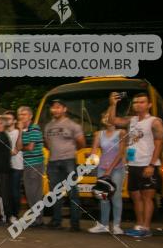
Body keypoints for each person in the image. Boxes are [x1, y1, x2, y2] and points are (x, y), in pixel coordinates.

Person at [104, 91, 163, 237]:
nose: (138, 105)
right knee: (135, 197)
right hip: (134, 164)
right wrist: (113, 104)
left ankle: (146, 228)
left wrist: (151, 165)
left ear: (149, 104)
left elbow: (159, 144)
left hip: (148, 164)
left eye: (142, 102)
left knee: (146, 197)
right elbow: (112, 121)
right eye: (136, 102)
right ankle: (139, 225)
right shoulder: (132, 120)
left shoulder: (155, 122)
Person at [44, 99, 86, 231]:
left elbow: (81, 143)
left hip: (69, 161)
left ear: (64, 109)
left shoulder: (73, 125)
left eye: (58, 107)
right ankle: (56, 221)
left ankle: (75, 224)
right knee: (55, 193)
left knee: (72, 192)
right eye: (53, 107)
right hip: (53, 162)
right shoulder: (48, 126)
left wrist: (69, 150)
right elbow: (47, 142)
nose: (55, 109)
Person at [88, 117, 126, 234]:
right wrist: (91, 159)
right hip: (102, 168)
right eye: (105, 117)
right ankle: (103, 225)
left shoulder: (121, 132)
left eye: (110, 116)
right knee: (103, 197)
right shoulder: (99, 134)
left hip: (117, 168)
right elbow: (94, 151)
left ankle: (116, 225)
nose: (107, 119)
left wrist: (110, 169)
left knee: (116, 196)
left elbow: (121, 153)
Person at [18, 106, 45, 227]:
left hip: (36, 163)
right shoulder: (23, 130)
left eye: (24, 114)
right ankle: (35, 218)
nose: (21, 117)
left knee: (35, 192)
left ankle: (38, 219)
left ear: (30, 116)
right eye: (20, 115)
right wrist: (19, 131)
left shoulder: (34, 128)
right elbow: (19, 146)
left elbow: (30, 147)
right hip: (27, 164)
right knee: (29, 192)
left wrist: (22, 147)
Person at [3, 110, 23, 220]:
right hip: (5, 166)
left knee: (15, 192)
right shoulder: (3, 133)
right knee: (7, 192)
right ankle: (8, 215)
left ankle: (15, 214)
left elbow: (18, 148)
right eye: (5, 119)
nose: (6, 121)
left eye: (9, 119)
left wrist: (20, 131)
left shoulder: (17, 132)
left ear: (15, 120)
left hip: (17, 166)